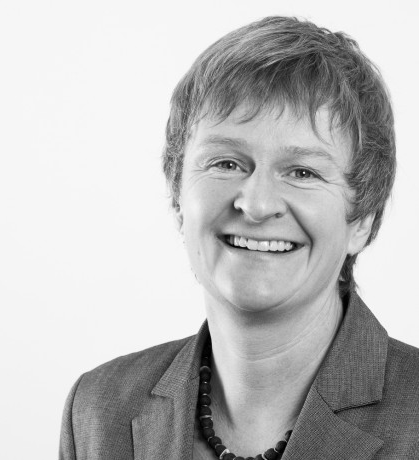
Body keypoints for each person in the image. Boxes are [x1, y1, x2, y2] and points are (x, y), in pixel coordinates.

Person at [59, 16, 419, 460]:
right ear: (178, 195)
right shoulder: (98, 411)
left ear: (362, 219)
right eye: (226, 163)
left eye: (302, 172)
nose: (257, 204)